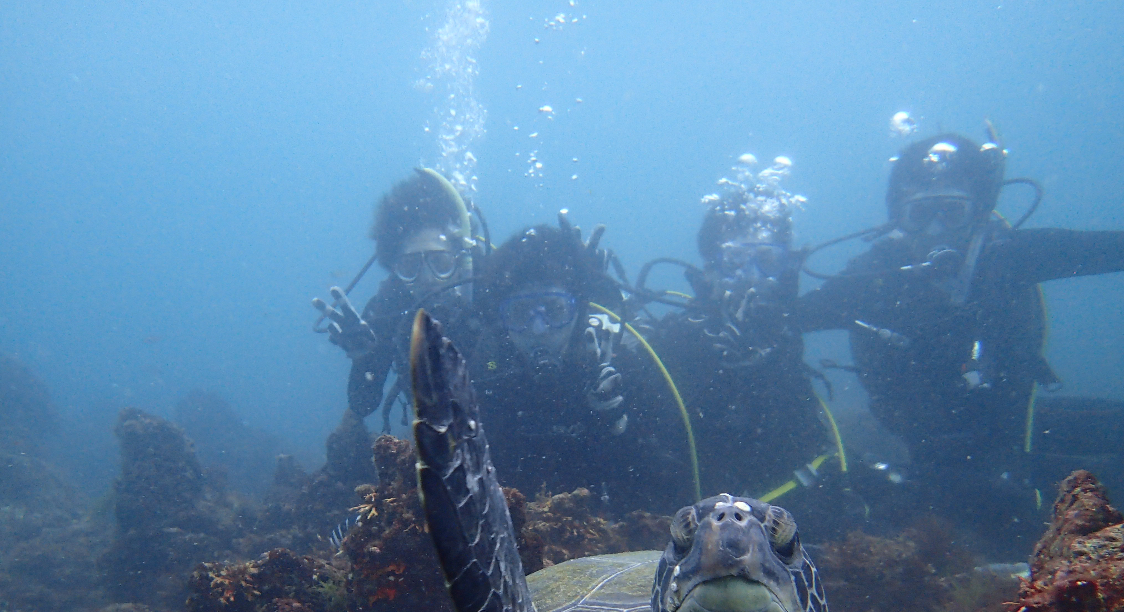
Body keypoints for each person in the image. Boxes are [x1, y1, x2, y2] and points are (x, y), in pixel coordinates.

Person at [792, 132, 1124, 555]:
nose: (935, 231)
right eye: (920, 214)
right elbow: (789, 320)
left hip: (1015, 430)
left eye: (951, 211)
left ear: (979, 211)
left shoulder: (1008, 257)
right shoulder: (873, 278)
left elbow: (1110, 249)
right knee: (1011, 509)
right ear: (897, 216)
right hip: (933, 462)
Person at [643, 156, 848, 531]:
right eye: (735, 259)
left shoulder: (787, 339)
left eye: (766, 259)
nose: (751, 276)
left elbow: (804, 443)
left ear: (786, 267)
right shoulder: (673, 339)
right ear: (709, 268)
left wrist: (769, 364)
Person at [465, 217, 689, 512]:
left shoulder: (624, 365)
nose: (539, 329)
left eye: (555, 310)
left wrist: (618, 426)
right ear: (501, 323)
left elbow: (671, 492)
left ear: (580, 311)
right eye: (520, 313)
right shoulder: (486, 376)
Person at [312, 168, 481, 433]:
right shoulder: (388, 310)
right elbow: (362, 404)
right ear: (395, 268)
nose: (428, 279)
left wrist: (487, 360)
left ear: (461, 262)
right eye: (411, 267)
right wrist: (365, 359)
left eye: (440, 263)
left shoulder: (488, 298)